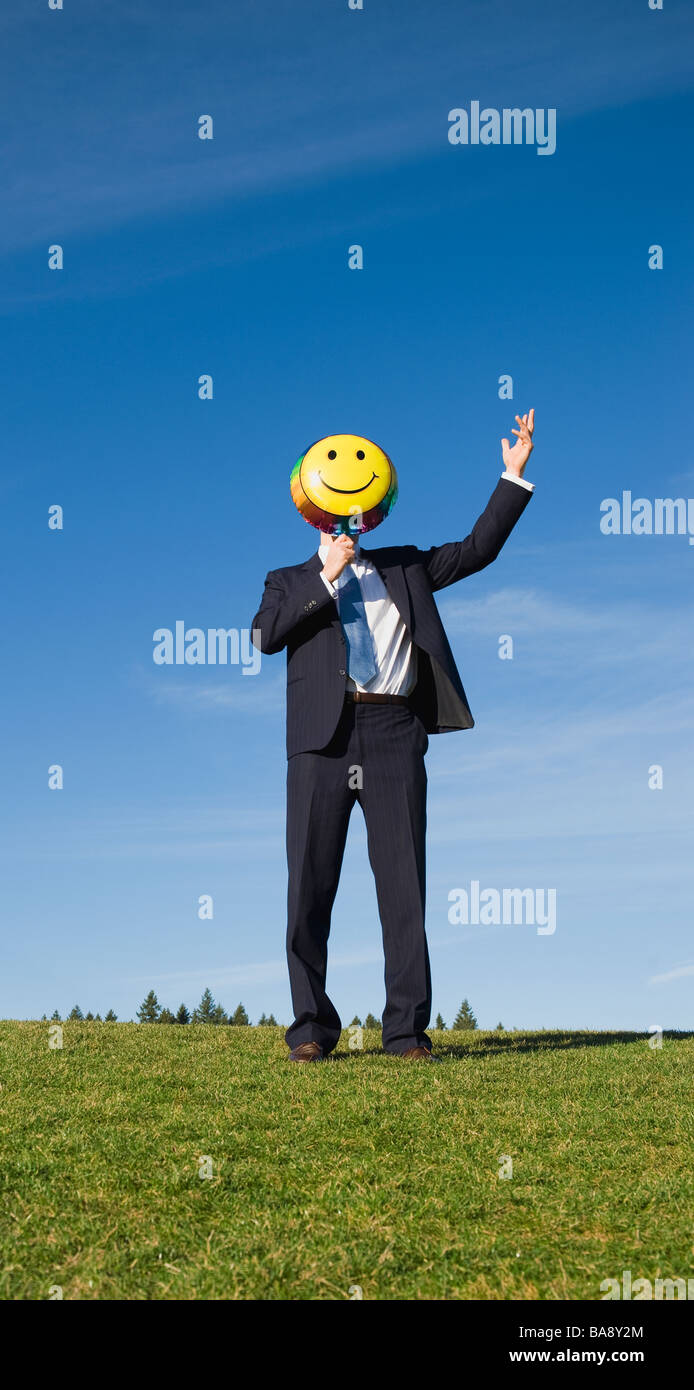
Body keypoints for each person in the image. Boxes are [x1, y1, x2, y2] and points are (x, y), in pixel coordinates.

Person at [250, 411, 536, 1062]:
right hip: (322, 738)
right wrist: (325, 577)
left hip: (393, 728)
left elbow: (477, 549)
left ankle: (406, 1034)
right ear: (317, 512)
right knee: (309, 888)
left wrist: (512, 476)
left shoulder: (407, 568)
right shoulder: (287, 581)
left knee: (403, 885)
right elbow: (265, 637)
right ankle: (311, 1032)